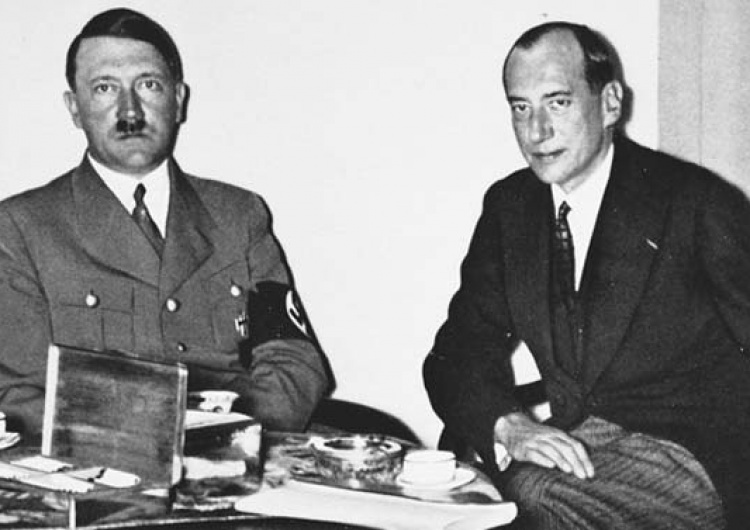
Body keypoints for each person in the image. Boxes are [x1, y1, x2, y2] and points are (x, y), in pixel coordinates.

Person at [424, 21, 750, 529]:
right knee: (443, 494)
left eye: (557, 103)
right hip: (576, 445)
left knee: (522, 498)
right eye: (520, 107)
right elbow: (457, 353)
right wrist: (506, 424)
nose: (537, 131)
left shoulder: (694, 202)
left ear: (610, 103)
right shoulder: (510, 207)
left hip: (693, 456)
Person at [0, 8, 332, 441]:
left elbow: (295, 366)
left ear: (178, 100)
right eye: (104, 88)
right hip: (100, 467)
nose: (130, 110)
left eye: (148, 85)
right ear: (75, 108)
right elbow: (20, 395)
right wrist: (156, 437)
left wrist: (223, 432)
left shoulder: (238, 216)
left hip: (237, 457)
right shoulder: (22, 228)